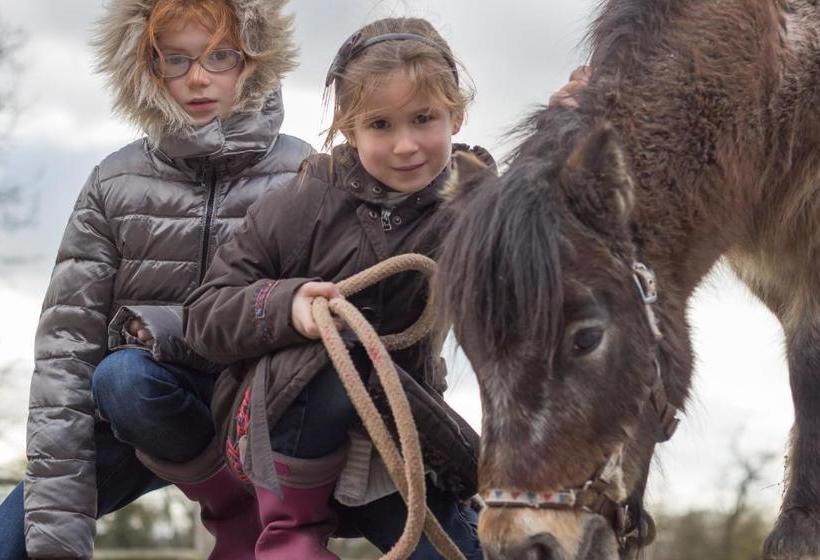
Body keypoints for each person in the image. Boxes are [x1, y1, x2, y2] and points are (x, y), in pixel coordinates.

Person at [0, 0, 313, 559]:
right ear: (148, 70)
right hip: (141, 414)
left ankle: (248, 503)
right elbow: (66, 353)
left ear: (252, 63)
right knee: (118, 380)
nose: (198, 76)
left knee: (441, 530)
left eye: (220, 56)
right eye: (176, 60)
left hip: (261, 416)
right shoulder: (113, 184)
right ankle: (229, 504)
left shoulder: (303, 175)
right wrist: (54, 535)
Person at [182, 17, 492, 560]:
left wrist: (574, 128)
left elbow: (553, 261)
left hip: (393, 438)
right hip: (283, 430)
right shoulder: (301, 200)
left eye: (424, 119)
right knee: (335, 345)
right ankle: (285, 536)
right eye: (380, 125)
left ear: (456, 114)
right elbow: (205, 317)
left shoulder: (477, 207)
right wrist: (287, 304)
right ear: (348, 129)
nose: (405, 146)